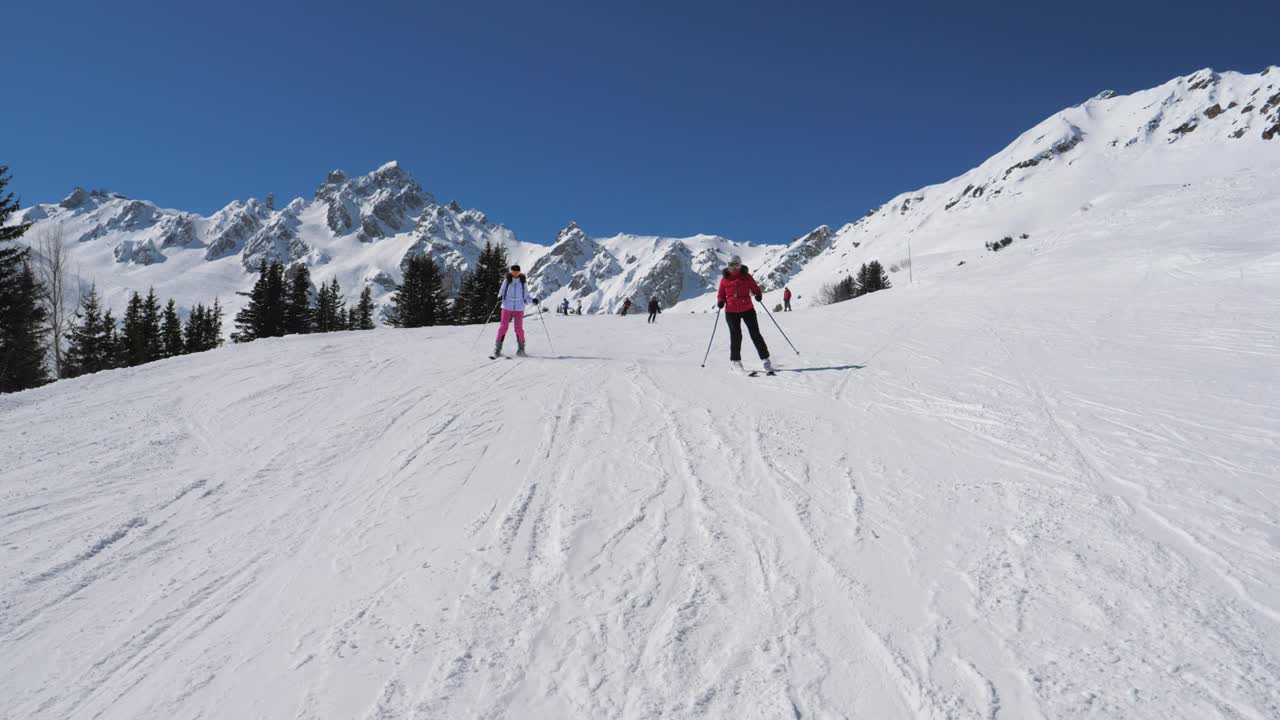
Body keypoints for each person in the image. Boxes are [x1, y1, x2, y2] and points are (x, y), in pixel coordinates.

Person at [717, 255, 772, 373]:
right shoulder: (724, 279)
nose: (734, 268)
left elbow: (755, 288)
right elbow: (721, 294)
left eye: (737, 265)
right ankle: (735, 361)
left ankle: (765, 359)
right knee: (736, 335)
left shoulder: (747, 277)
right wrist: (721, 301)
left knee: (755, 334)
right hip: (731, 311)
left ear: (740, 265)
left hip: (747, 309)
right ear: (728, 266)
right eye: (731, 265)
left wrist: (758, 294)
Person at [494, 264, 538, 357]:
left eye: (517, 272)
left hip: (519, 307)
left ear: (519, 272)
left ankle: (521, 350)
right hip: (507, 305)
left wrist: (532, 300)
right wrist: (499, 297)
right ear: (511, 272)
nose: (515, 274)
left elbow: (526, 295)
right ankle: (497, 349)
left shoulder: (522, 282)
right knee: (503, 327)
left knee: (518, 329)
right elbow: (501, 291)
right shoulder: (507, 280)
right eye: (513, 272)